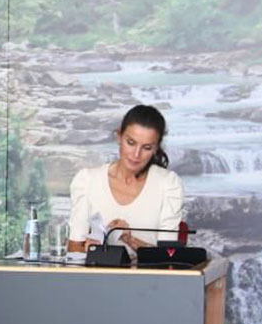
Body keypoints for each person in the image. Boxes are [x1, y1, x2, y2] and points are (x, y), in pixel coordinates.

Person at [67, 104, 184, 252]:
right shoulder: (87, 181)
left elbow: (169, 256)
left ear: (156, 149)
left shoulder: (168, 184)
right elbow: (74, 248)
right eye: (131, 143)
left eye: (146, 148)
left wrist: (129, 239)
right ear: (119, 137)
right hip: (98, 275)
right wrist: (94, 249)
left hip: (148, 276)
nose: (136, 155)